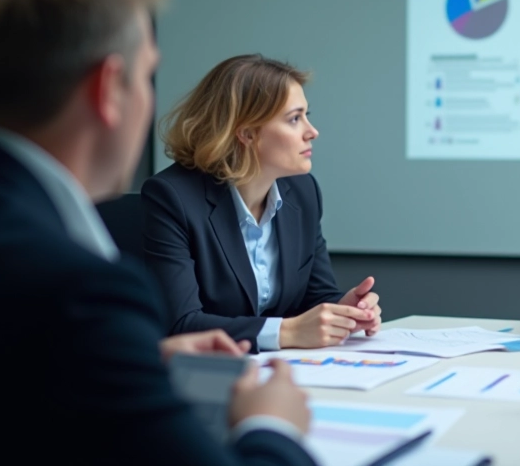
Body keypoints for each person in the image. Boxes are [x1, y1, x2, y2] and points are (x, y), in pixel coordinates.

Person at [0, 0, 316, 465]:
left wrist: (143, 357)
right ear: (108, 90)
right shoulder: (79, 295)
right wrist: (273, 424)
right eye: (147, 76)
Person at [142, 55, 381, 352]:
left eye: (307, 115)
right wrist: (288, 332)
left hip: (283, 372)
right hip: (208, 378)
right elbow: (183, 324)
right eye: (295, 119)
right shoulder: (172, 198)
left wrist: (343, 311)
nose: (312, 131)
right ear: (247, 133)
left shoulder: (303, 191)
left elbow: (316, 295)